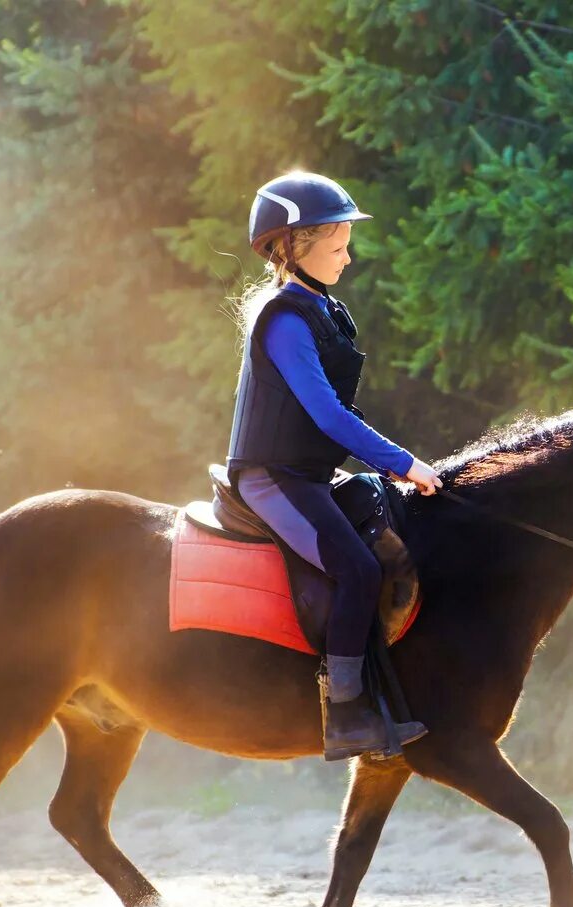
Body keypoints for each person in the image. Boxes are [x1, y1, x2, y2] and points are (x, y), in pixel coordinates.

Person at [227, 170, 441, 760]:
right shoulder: (286, 320)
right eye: (338, 246)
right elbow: (327, 416)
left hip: (311, 474)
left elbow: (335, 415)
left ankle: (385, 695)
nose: (349, 257)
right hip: (273, 477)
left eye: (348, 244)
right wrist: (404, 463)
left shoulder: (326, 308)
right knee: (358, 571)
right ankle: (345, 714)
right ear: (294, 247)